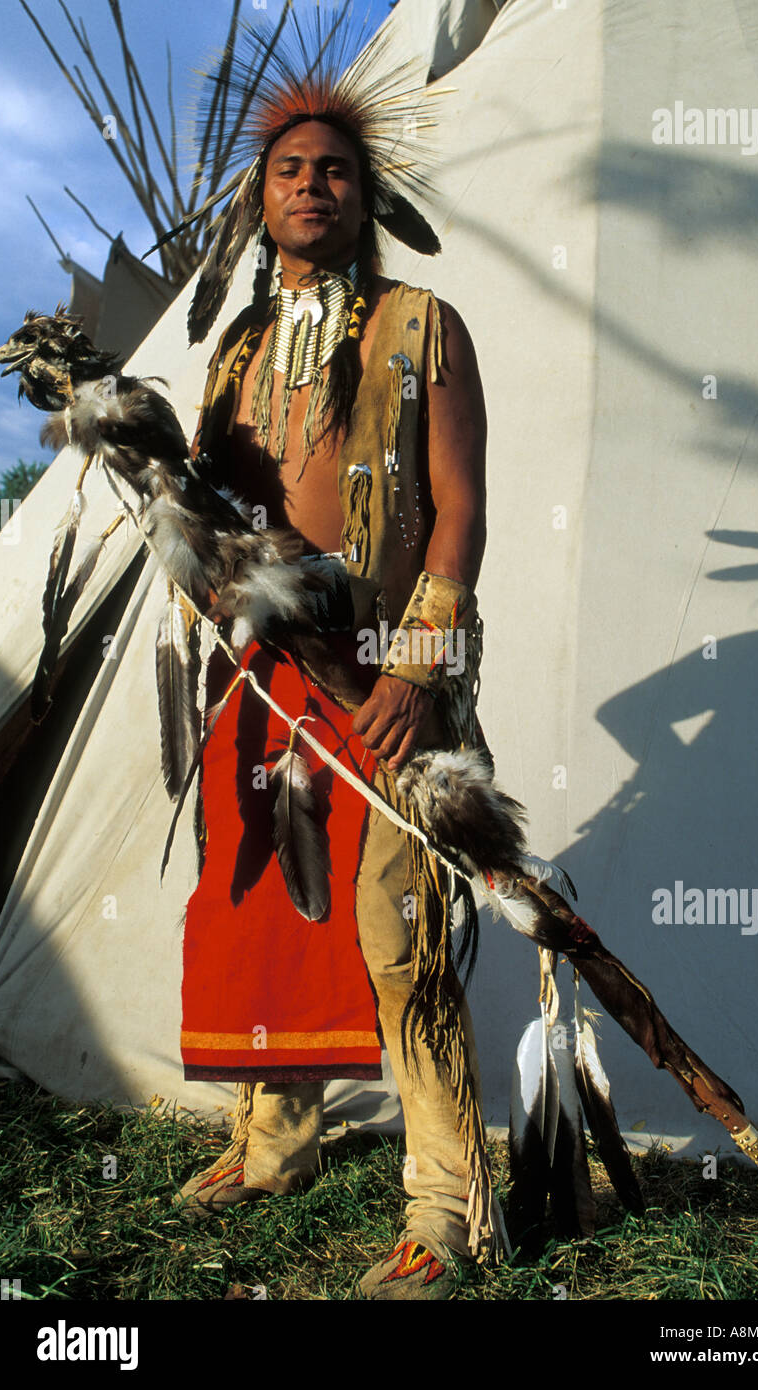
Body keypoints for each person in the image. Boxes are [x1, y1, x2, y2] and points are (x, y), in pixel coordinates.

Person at [172, 19, 502, 1300]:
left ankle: (446, 1202)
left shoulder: (425, 327)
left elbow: (459, 511)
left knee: (395, 927)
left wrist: (417, 673)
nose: (311, 184)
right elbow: (201, 511)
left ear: (368, 197)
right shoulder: (235, 351)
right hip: (261, 675)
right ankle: (275, 1141)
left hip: (383, 672)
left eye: (335, 170)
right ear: (259, 202)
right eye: (287, 170)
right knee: (261, 897)